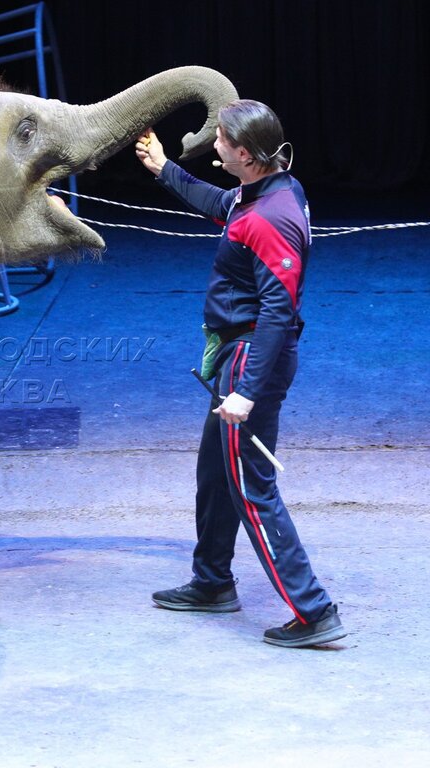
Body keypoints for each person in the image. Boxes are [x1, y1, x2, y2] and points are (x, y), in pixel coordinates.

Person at [136, 100, 346, 648]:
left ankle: (313, 610)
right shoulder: (268, 189)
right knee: (215, 472)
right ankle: (212, 582)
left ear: (246, 155)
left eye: (222, 141)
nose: (215, 145)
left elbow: (279, 309)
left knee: (252, 486)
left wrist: (246, 393)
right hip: (240, 353)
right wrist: (164, 169)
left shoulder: (271, 217)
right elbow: (221, 205)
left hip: (252, 359)